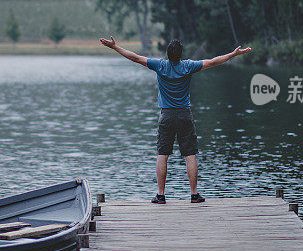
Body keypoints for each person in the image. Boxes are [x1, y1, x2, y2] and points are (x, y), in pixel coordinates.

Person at [99, 36, 251, 204]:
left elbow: (135, 57)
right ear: (180, 54)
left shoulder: (160, 65)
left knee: (162, 154)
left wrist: (115, 47)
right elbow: (213, 62)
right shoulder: (188, 66)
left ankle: (161, 195)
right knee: (190, 154)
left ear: (167, 54)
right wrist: (233, 54)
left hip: (166, 115)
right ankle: (194, 195)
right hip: (185, 114)